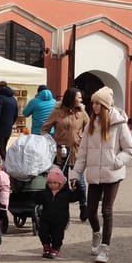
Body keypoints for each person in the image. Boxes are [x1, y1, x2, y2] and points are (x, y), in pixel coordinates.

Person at [72, 86, 132, 263]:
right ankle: (96, 233)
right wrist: (76, 173)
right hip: (94, 174)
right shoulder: (90, 125)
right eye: (93, 103)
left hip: (112, 173)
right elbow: (83, 152)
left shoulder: (119, 124)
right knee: (90, 211)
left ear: (105, 105)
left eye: (97, 103)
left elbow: (129, 149)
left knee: (107, 210)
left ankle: (105, 248)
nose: (94, 106)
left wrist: (116, 161)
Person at [41, 87, 90, 220]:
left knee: (79, 182)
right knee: (62, 181)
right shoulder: (57, 112)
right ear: (71, 98)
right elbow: (45, 128)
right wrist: (49, 143)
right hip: (60, 152)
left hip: (77, 151)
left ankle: (83, 206)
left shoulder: (82, 112)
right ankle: (62, 208)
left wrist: (84, 139)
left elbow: (90, 129)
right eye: (78, 97)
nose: (81, 99)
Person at [36, 166, 81, 258]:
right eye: (50, 183)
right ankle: (46, 246)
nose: (52, 185)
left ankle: (55, 248)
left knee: (58, 235)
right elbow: (38, 200)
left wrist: (77, 189)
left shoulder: (66, 193)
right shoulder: (45, 193)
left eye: (55, 183)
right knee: (42, 232)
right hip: (46, 218)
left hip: (60, 219)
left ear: (60, 183)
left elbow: (74, 198)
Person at [0, 83, 18, 161]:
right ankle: (4, 166)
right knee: (3, 148)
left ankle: (2, 167)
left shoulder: (0, 98)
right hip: (8, 129)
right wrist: (10, 124)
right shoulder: (13, 99)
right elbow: (16, 115)